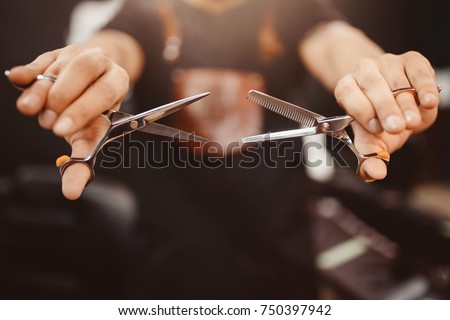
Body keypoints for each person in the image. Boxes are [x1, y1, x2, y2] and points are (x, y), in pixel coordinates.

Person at [6, 0, 440, 299]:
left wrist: (378, 80)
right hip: (165, 269)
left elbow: (340, 46)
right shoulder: (144, 13)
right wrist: (89, 67)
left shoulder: (294, 12)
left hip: (282, 266)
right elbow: (111, 48)